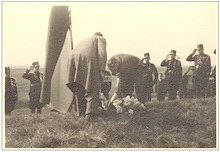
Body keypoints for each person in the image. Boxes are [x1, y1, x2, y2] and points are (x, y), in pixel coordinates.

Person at [67, 32, 107, 120]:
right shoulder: (100, 39)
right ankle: (90, 114)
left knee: (79, 85)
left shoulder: (86, 40)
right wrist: (101, 70)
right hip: (88, 59)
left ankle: (81, 113)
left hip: (72, 58)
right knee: (93, 85)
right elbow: (102, 52)